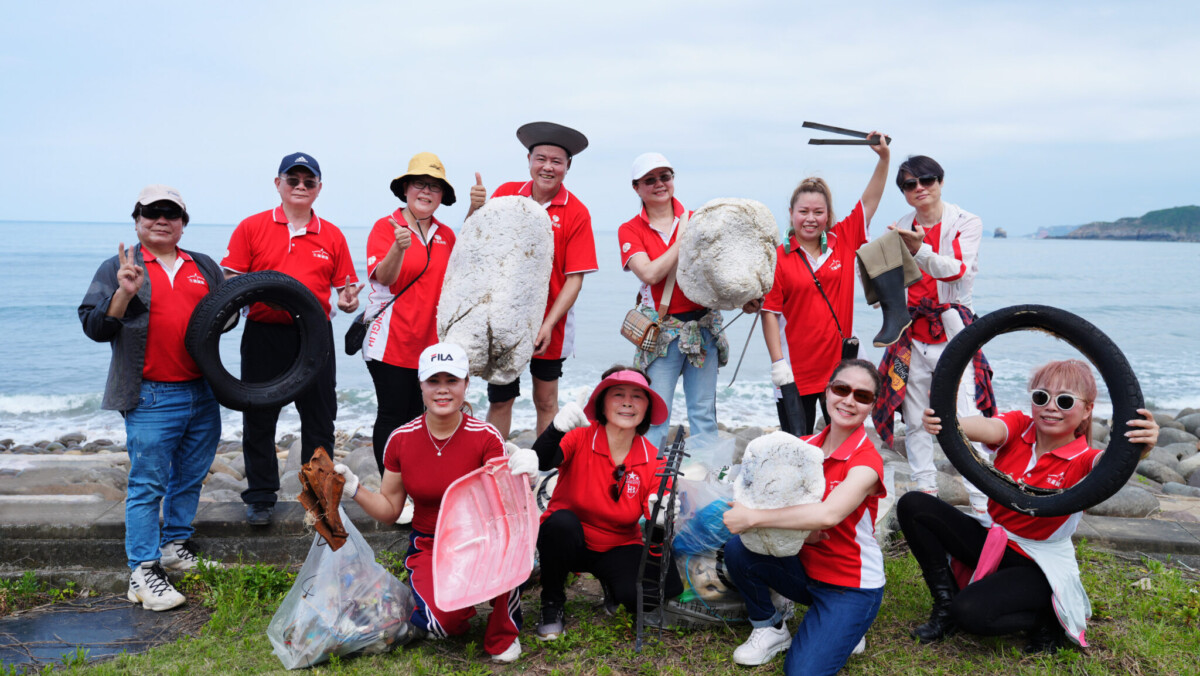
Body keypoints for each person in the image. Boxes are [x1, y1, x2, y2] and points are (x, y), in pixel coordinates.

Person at [900, 359, 1159, 653]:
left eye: (1064, 401)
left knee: (971, 613)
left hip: (1038, 563)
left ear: (1087, 410)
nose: (1050, 407)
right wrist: (947, 421)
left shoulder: (1085, 459)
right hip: (993, 539)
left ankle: (1047, 618)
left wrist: (1139, 448)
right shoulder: (1020, 427)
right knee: (914, 505)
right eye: (1041, 397)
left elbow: (1112, 464)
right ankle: (944, 604)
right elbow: (986, 427)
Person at [334, 342, 536, 663]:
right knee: (442, 625)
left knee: (509, 563)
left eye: (452, 381)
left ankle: (502, 633)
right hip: (431, 546)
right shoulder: (401, 439)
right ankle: (451, 598)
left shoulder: (486, 437)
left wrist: (526, 477)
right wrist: (354, 488)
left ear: (466, 384)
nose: (443, 390)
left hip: (483, 542)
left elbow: (507, 509)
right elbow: (390, 510)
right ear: (421, 385)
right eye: (434, 381)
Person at [79, 185, 224, 611]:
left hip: (202, 390)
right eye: (151, 212)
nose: (161, 219)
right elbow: (93, 326)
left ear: (183, 223)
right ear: (137, 219)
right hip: (150, 394)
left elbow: (222, 318)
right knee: (147, 485)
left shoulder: (204, 265)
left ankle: (174, 546)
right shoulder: (119, 266)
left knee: (192, 473)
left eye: (171, 213)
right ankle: (142, 572)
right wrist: (124, 292)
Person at [721, 359, 887, 675]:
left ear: (871, 406)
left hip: (849, 585)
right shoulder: (802, 447)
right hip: (805, 570)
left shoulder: (866, 461)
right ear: (827, 392)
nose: (849, 400)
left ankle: (847, 626)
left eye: (862, 396)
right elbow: (758, 490)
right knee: (739, 550)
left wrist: (755, 518)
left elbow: (828, 514)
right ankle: (770, 627)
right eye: (842, 389)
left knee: (802, 672)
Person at [221, 152, 360, 525]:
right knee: (259, 416)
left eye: (308, 181)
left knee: (318, 418)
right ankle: (262, 497)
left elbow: (345, 292)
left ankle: (319, 499)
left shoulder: (331, 234)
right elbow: (230, 282)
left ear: (318, 188)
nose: (300, 187)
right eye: (293, 180)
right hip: (264, 332)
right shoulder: (252, 227)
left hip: (315, 336)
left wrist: (348, 302)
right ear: (278, 184)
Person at [870, 155, 995, 516]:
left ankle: (983, 505)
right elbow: (889, 279)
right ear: (904, 192)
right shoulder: (900, 227)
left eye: (927, 180)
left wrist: (918, 248)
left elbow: (955, 271)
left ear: (940, 181)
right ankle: (926, 497)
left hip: (953, 331)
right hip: (911, 333)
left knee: (966, 418)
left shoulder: (966, 222)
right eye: (910, 184)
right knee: (915, 419)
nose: (920, 188)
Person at [530, 365, 683, 640]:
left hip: (618, 544)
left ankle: (612, 586)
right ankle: (552, 602)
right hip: (569, 539)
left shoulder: (654, 461)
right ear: (602, 404)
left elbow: (657, 537)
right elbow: (541, 460)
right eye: (618, 394)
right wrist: (555, 428)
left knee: (645, 598)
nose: (627, 402)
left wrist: (662, 519)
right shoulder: (580, 437)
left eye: (637, 396)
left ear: (647, 407)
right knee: (560, 523)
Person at [618, 152, 752, 448]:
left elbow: (721, 273)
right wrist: (683, 240)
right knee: (654, 417)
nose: (659, 184)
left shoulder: (698, 220)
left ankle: (704, 486)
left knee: (704, 416)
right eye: (649, 180)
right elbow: (650, 273)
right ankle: (646, 486)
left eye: (665, 177)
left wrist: (745, 297)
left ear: (673, 179)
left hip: (703, 329)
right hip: (661, 335)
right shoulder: (630, 230)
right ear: (636, 187)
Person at [474, 122, 598, 439]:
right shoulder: (505, 194)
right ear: (529, 160)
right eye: (541, 158)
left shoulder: (577, 212)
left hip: (550, 327)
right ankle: (494, 468)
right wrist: (474, 209)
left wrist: (548, 324)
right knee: (501, 399)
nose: (547, 167)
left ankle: (543, 474)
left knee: (546, 401)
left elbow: (574, 279)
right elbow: (475, 244)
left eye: (556, 161)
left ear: (567, 167)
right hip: (503, 322)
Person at [761, 134, 891, 435]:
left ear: (828, 215)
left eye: (818, 212)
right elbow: (770, 313)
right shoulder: (778, 257)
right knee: (800, 445)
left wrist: (883, 159)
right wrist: (777, 363)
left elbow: (869, 200)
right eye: (803, 212)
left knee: (843, 444)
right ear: (792, 214)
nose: (810, 219)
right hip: (796, 370)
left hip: (840, 368)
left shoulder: (842, 241)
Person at [362, 152, 458, 475]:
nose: (426, 192)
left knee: (422, 417)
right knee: (392, 413)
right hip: (389, 340)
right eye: (419, 184)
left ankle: (414, 484)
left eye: (434, 186)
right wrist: (398, 247)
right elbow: (385, 278)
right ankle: (391, 490)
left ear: (442, 196)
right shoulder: (386, 227)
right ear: (406, 189)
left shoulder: (447, 235)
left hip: (431, 345)